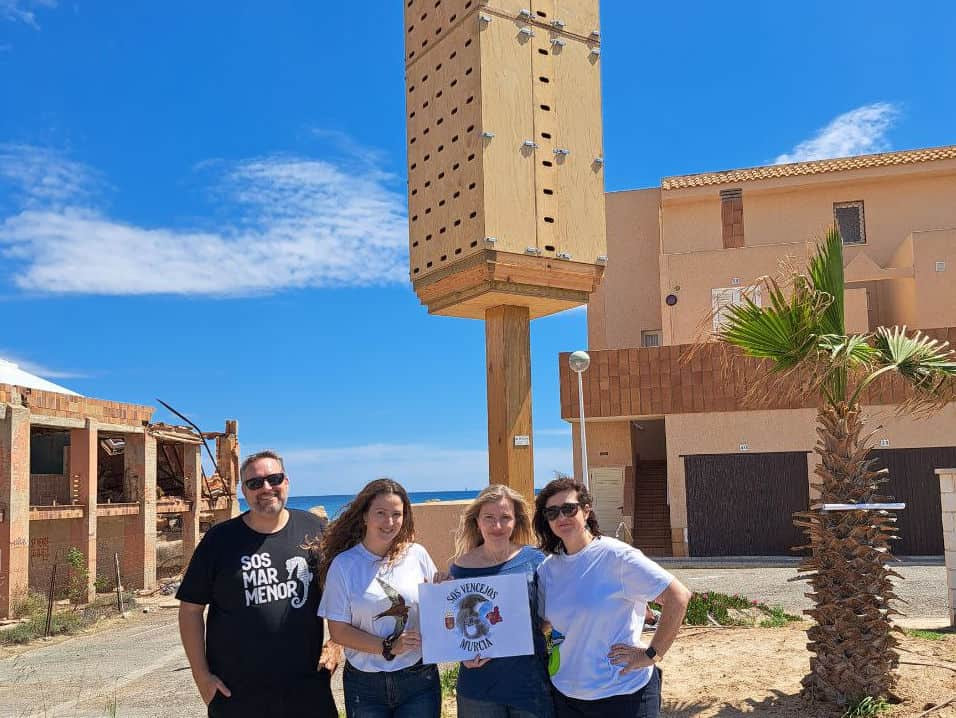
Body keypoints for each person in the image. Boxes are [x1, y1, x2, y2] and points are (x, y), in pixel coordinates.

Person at [177, 449, 339, 717]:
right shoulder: (219, 541)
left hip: (308, 689)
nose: (266, 488)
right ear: (244, 490)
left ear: (286, 482)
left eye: (274, 479)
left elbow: (341, 593)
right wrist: (201, 676)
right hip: (237, 694)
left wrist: (336, 644)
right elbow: (190, 610)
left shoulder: (315, 529)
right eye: (255, 483)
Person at [533, 477, 691, 718]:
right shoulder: (547, 569)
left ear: (586, 511)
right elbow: (544, 625)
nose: (561, 517)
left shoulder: (616, 557)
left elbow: (678, 597)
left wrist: (651, 654)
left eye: (568, 509)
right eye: (552, 512)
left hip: (624, 694)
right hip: (566, 696)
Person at [318, 478, 441, 718]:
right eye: (381, 513)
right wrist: (389, 647)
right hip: (365, 685)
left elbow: (437, 608)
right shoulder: (344, 566)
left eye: (397, 514)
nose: (389, 522)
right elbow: (339, 632)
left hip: (419, 679)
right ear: (364, 516)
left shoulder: (417, 555)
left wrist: (443, 589)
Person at [447, 484, 555, 718]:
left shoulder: (536, 561)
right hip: (478, 688)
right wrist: (462, 655)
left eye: (505, 517)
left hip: (530, 684)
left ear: (516, 521)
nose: (497, 526)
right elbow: (452, 629)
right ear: (477, 521)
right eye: (489, 517)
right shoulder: (459, 569)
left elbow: (547, 620)